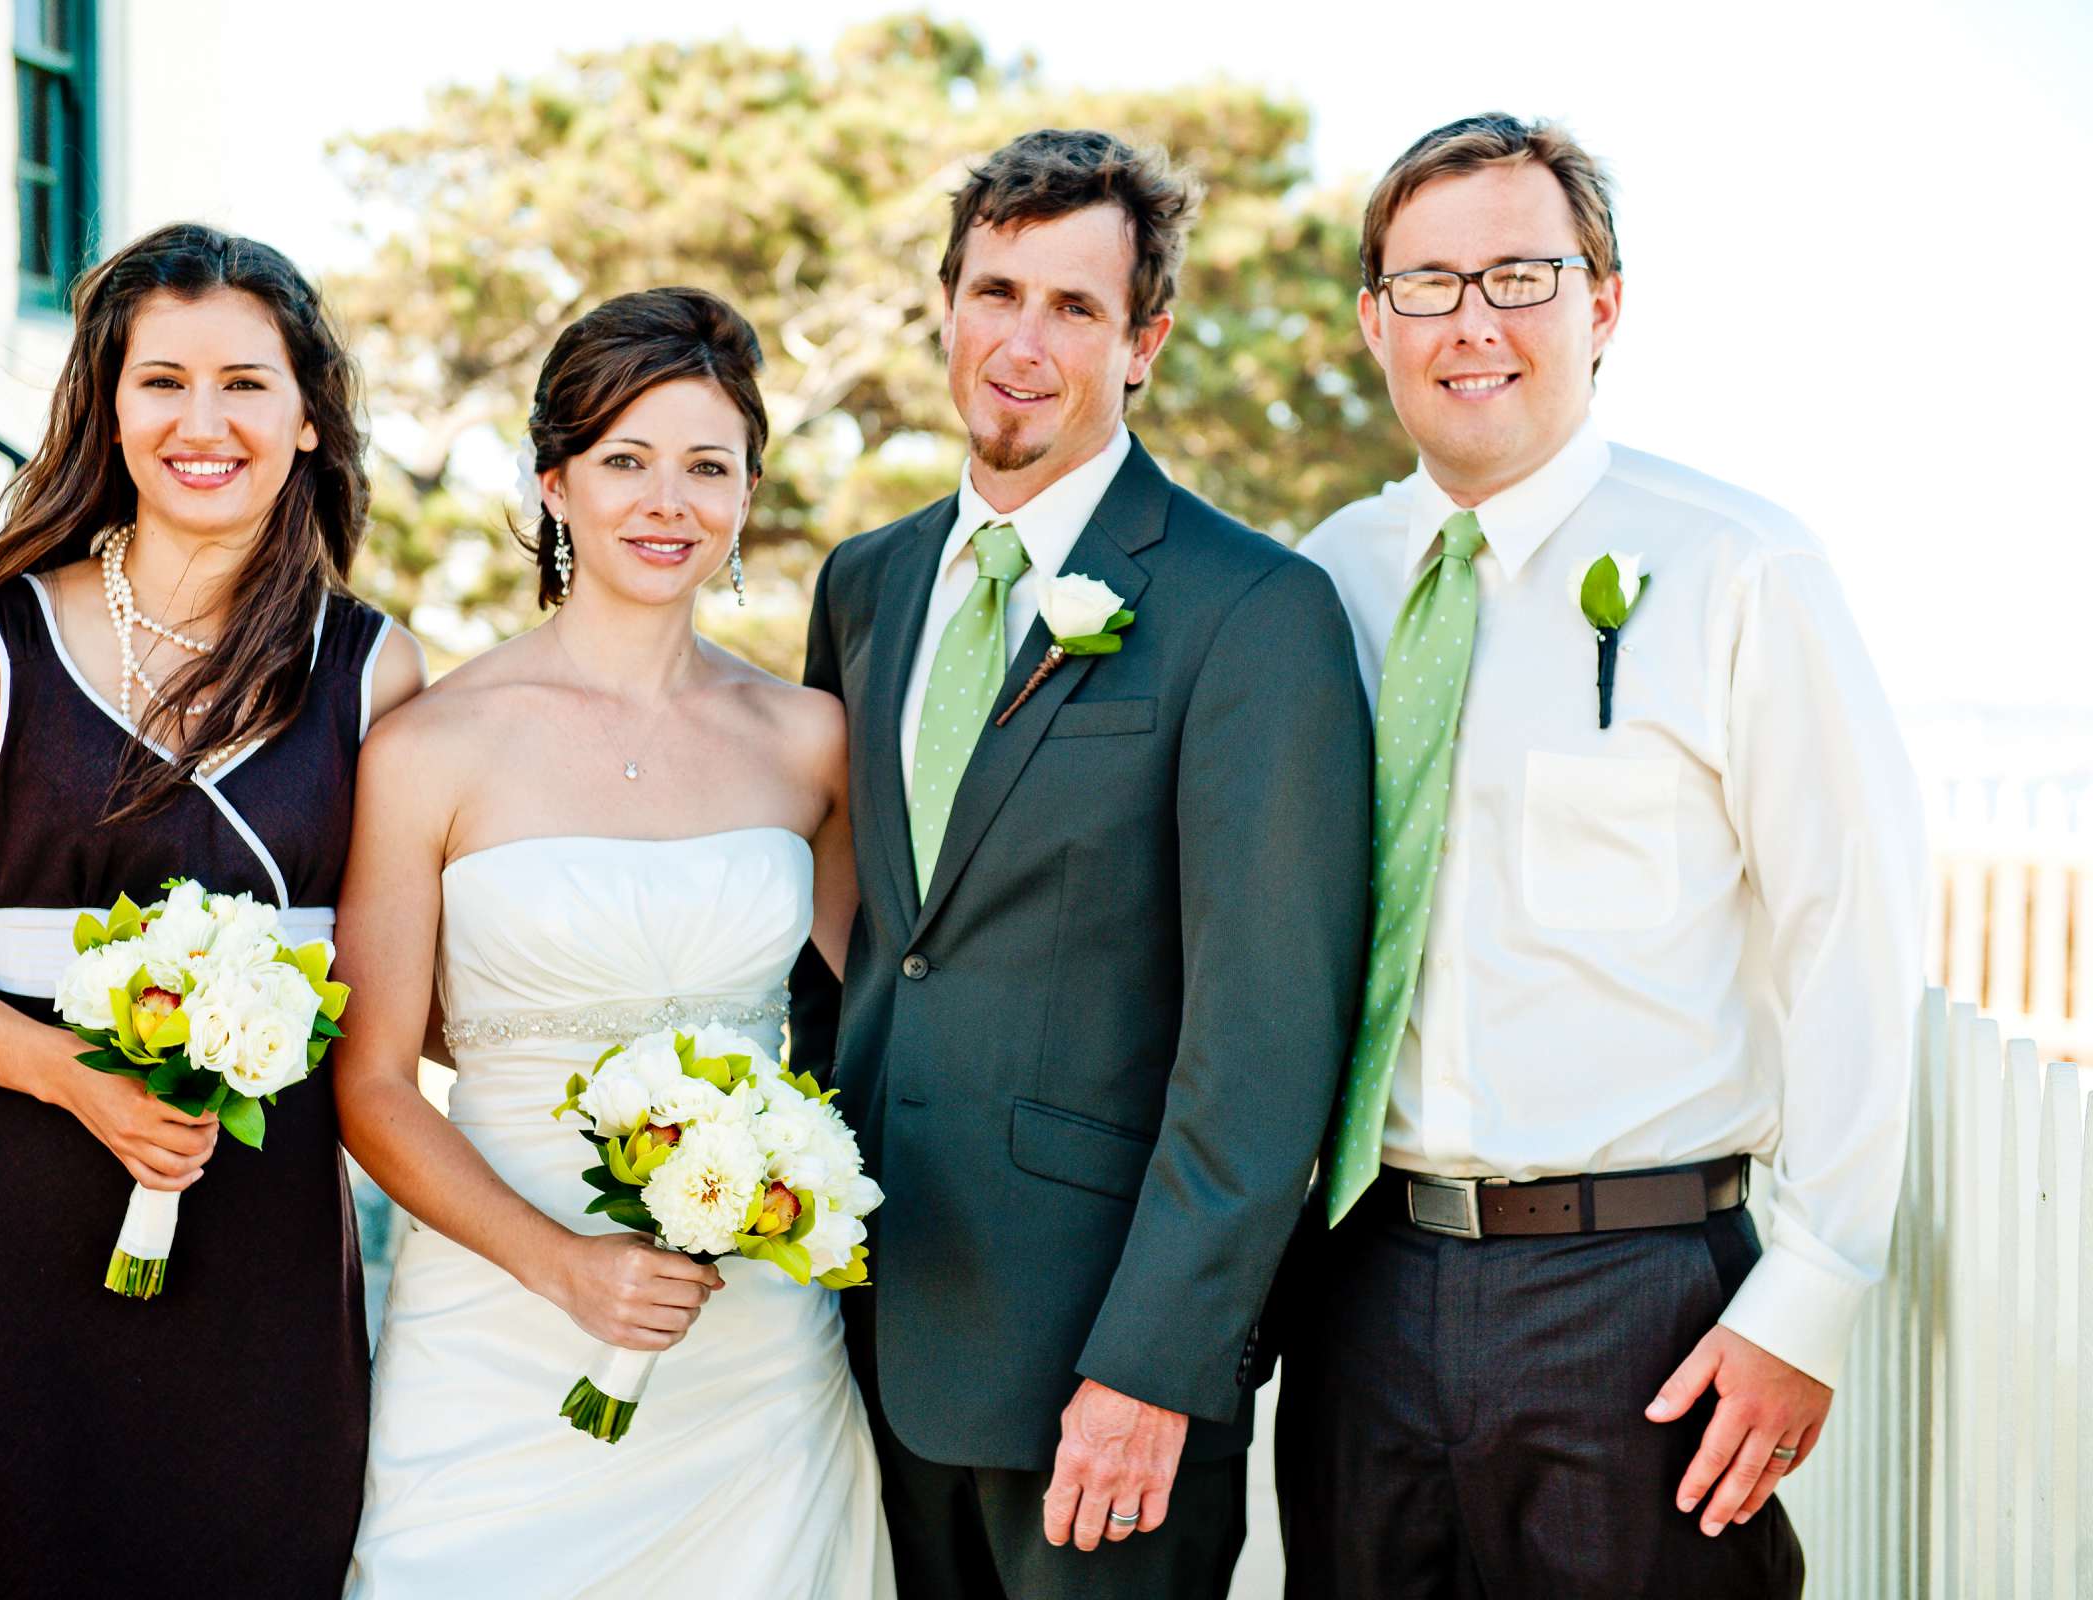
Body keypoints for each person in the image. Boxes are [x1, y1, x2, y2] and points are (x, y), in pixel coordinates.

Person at [1281, 112, 1928, 1597]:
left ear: (1605, 301)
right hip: (1365, 1283)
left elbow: (1856, 925)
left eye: (1521, 274)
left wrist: (1809, 1300)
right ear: (1377, 323)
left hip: (1640, 1295)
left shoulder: (1738, 568)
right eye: (1430, 286)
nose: (1474, 324)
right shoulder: (1326, 583)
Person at [792, 127, 1373, 1597]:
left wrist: (1157, 1369)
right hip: (861, 1334)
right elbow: (868, 946)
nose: (1023, 343)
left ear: (1145, 345)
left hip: (1096, 1381)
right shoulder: (863, 586)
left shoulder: (1254, 610)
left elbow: (1265, 1039)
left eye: (1076, 308)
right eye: (996, 293)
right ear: (946, 306)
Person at [0, 223, 425, 1597]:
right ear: (108, 407)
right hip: (20, 1215)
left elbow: (410, 986)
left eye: (245, 384)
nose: (200, 422)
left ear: (311, 423)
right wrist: (70, 1076)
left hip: (263, 1229)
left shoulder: (376, 672)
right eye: (161, 381)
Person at [336, 286, 888, 1598]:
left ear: (749, 493)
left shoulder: (810, 743)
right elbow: (369, 1085)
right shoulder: (432, 745)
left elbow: (893, 1005)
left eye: (708, 466)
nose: (668, 502)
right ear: (554, 484)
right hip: (495, 1326)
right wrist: (566, 1266)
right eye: (625, 461)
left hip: (751, 1345)